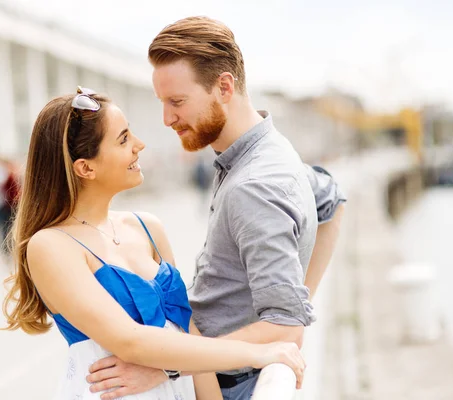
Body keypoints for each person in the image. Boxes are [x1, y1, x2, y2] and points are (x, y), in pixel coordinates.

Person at [87, 16, 346, 400]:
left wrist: (167, 368)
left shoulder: (255, 186)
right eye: (163, 102)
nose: (167, 118)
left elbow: (286, 328)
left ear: (224, 86)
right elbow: (333, 199)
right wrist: (296, 293)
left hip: (225, 387)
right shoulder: (267, 152)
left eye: (177, 101)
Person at [2, 88, 306, 400]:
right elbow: (130, 340)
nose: (139, 145)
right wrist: (256, 354)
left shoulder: (148, 227)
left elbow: (189, 330)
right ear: (86, 168)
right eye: (123, 139)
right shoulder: (51, 245)